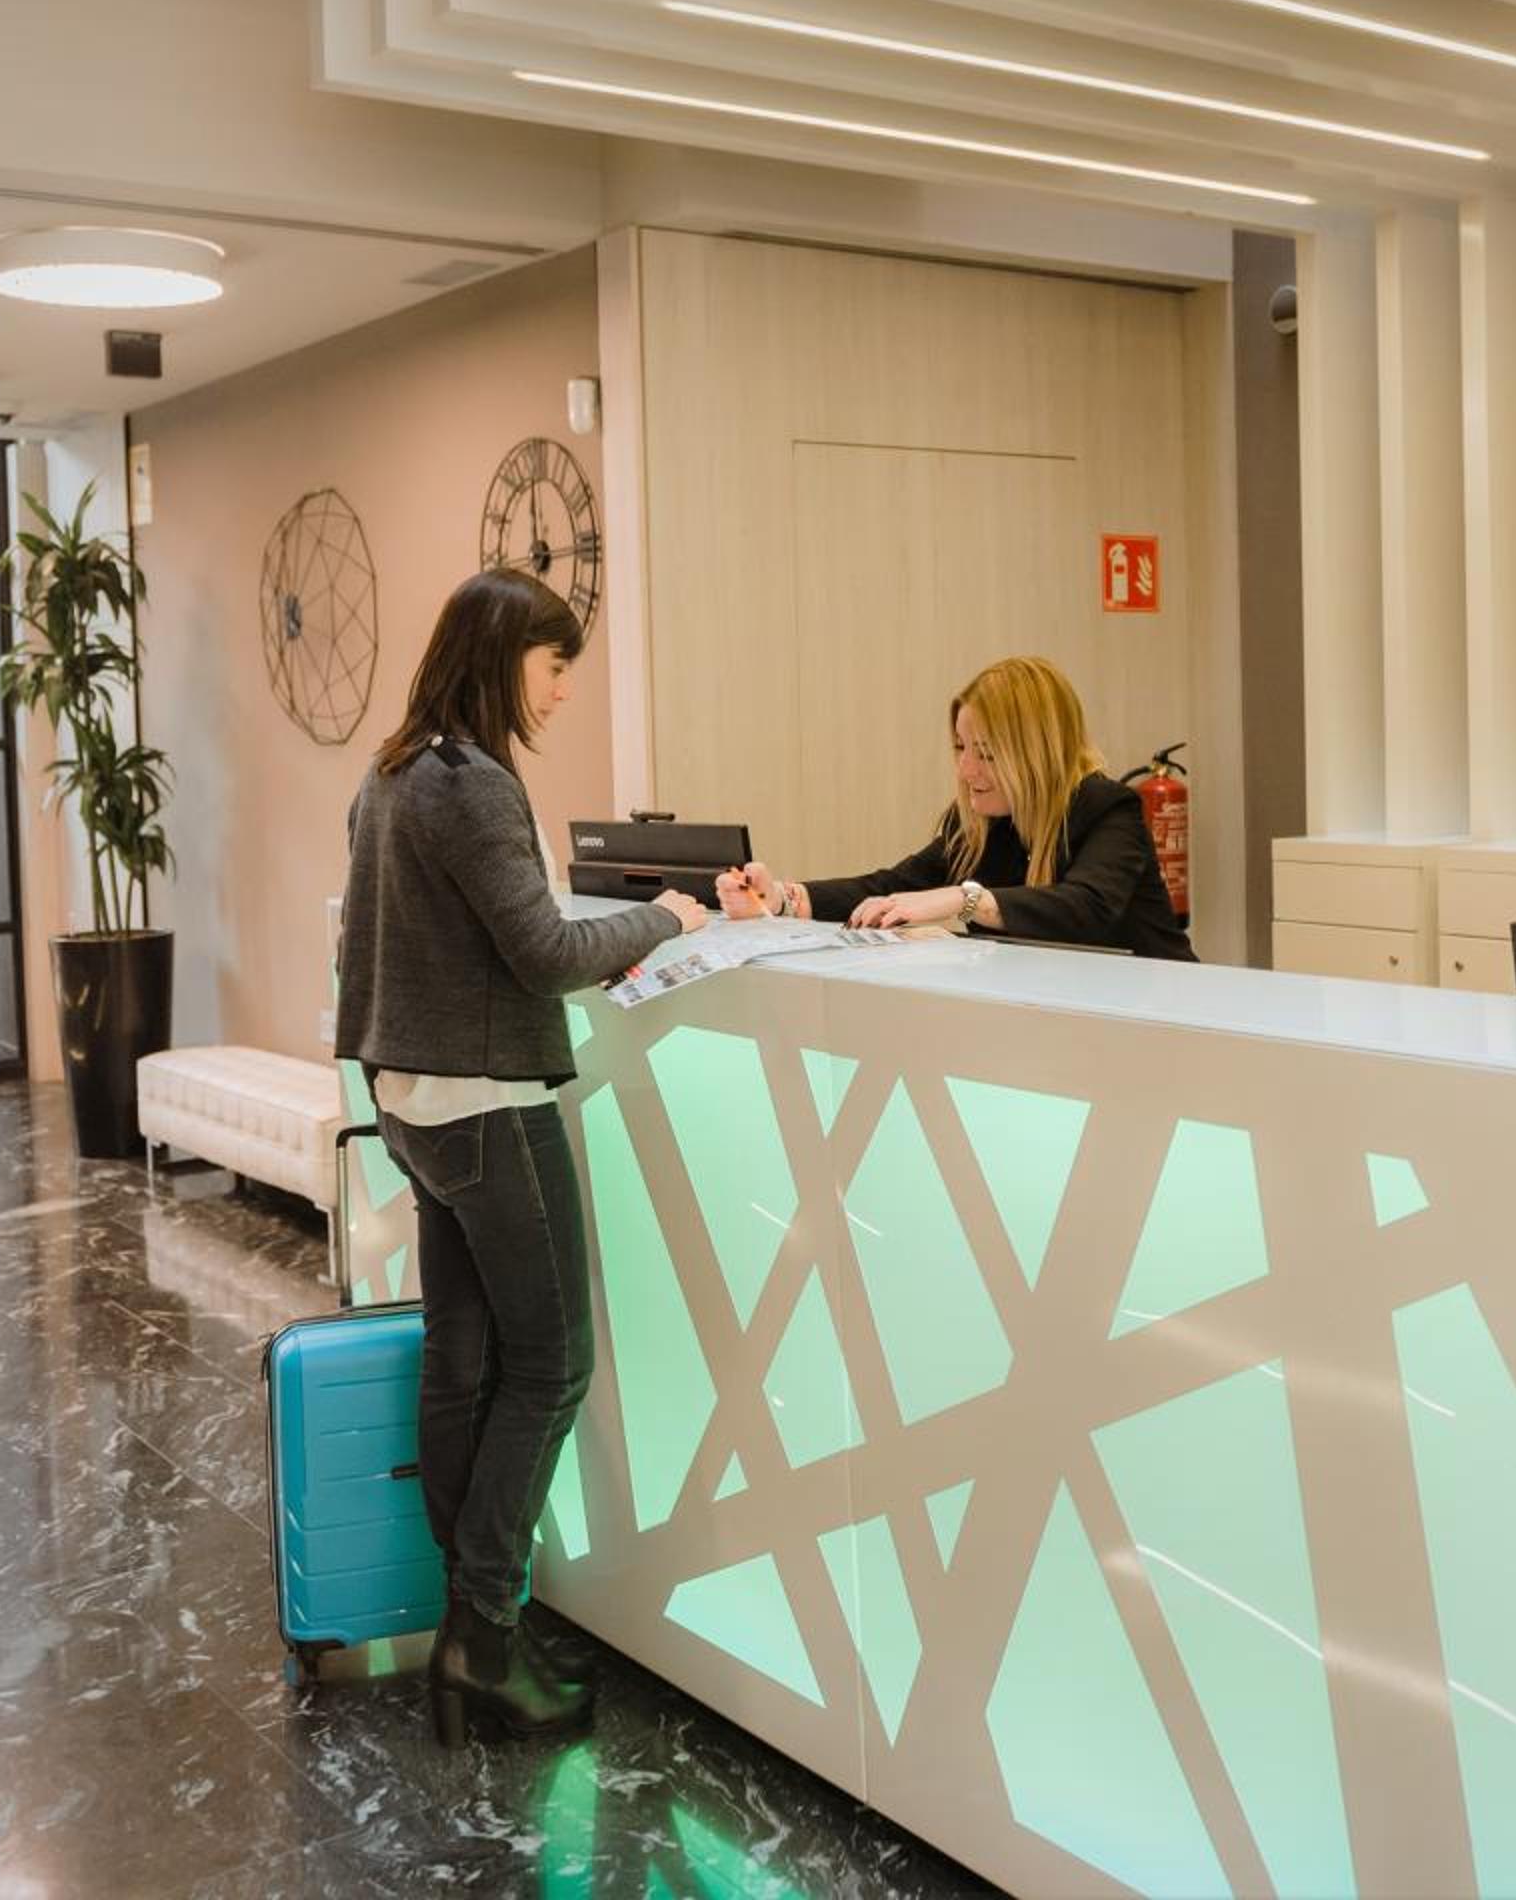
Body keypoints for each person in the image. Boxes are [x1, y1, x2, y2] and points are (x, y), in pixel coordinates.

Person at [335, 566, 705, 1747]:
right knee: (549, 1367)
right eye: (554, 669)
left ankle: (473, 1628)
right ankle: (482, 1636)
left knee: (465, 1358)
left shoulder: (394, 773)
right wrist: (675, 916)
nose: (560, 693)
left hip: (413, 1100)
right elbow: (545, 951)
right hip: (486, 1105)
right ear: (504, 658)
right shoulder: (475, 783)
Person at [716, 655, 1196, 962]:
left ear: (1036, 753)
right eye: (960, 748)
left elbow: (1085, 907)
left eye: (985, 754)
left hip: (1160, 1017)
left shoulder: (1108, 809)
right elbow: (893, 887)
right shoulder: (982, 821)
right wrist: (783, 899)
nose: (966, 771)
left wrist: (963, 899)